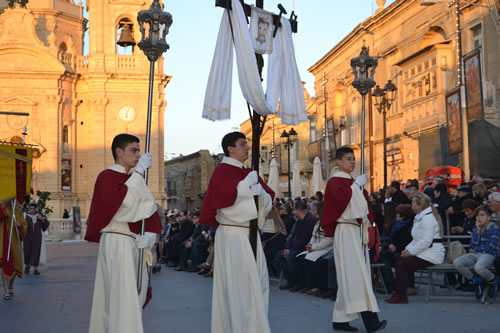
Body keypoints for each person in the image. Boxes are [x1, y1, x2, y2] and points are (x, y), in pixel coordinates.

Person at [85, 134, 162, 333]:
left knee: (132, 299)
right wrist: (139, 174)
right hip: (117, 242)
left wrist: (150, 237)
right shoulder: (107, 176)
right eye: (134, 150)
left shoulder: (133, 180)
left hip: (134, 245)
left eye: (139, 151)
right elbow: (122, 206)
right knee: (121, 298)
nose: (138, 155)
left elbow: (149, 213)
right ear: (119, 152)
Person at [199, 132, 274, 333]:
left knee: (258, 283)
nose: (247, 147)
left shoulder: (247, 171)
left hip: (250, 234)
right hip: (233, 235)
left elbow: (267, 204)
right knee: (238, 287)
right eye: (243, 144)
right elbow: (223, 203)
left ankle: (255, 327)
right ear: (230, 148)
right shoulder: (223, 171)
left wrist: (261, 195)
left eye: (247, 143)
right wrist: (245, 187)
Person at [322, 147, 386, 333]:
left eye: (354, 158)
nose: (353, 162)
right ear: (339, 162)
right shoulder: (336, 182)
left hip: (354, 231)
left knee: (350, 276)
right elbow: (343, 204)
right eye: (348, 159)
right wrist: (357, 186)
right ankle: (371, 321)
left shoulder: (349, 182)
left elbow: (361, 208)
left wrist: (356, 186)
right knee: (357, 276)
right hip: (346, 230)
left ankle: (340, 319)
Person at [385, 192, 445, 304]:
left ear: (419, 205)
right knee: (399, 258)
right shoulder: (421, 217)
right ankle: (399, 291)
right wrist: (408, 249)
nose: (411, 205)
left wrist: (411, 252)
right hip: (426, 251)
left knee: (402, 264)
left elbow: (426, 241)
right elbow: (417, 239)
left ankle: (401, 295)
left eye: (413, 203)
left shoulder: (427, 219)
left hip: (432, 254)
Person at [453, 206, 500, 300]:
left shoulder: (494, 228)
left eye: (482, 215)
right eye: (477, 216)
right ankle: (476, 280)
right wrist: (478, 232)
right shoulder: (476, 228)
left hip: (489, 254)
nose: (479, 218)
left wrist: (477, 248)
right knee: (457, 262)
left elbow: (491, 246)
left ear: (489, 217)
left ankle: (493, 280)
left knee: (478, 267)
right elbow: (472, 245)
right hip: (477, 254)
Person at [0, 201, 27, 300]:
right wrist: (1, 208)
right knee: (5, 265)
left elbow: (25, 225)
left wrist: (20, 225)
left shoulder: (18, 212)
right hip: (3, 242)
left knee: (16, 265)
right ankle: (6, 290)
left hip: (15, 243)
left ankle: (11, 285)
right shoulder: (2, 208)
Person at [23, 202, 49, 275]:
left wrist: (42, 220)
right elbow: (22, 226)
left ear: (36, 209)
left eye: (33, 209)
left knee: (36, 252)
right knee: (27, 251)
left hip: (37, 237)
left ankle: (35, 268)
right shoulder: (25, 216)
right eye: (30, 209)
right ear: (29, 209)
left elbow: (45, 227)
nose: (32, 210)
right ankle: (27, 266)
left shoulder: (39, 216)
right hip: (27, 237)